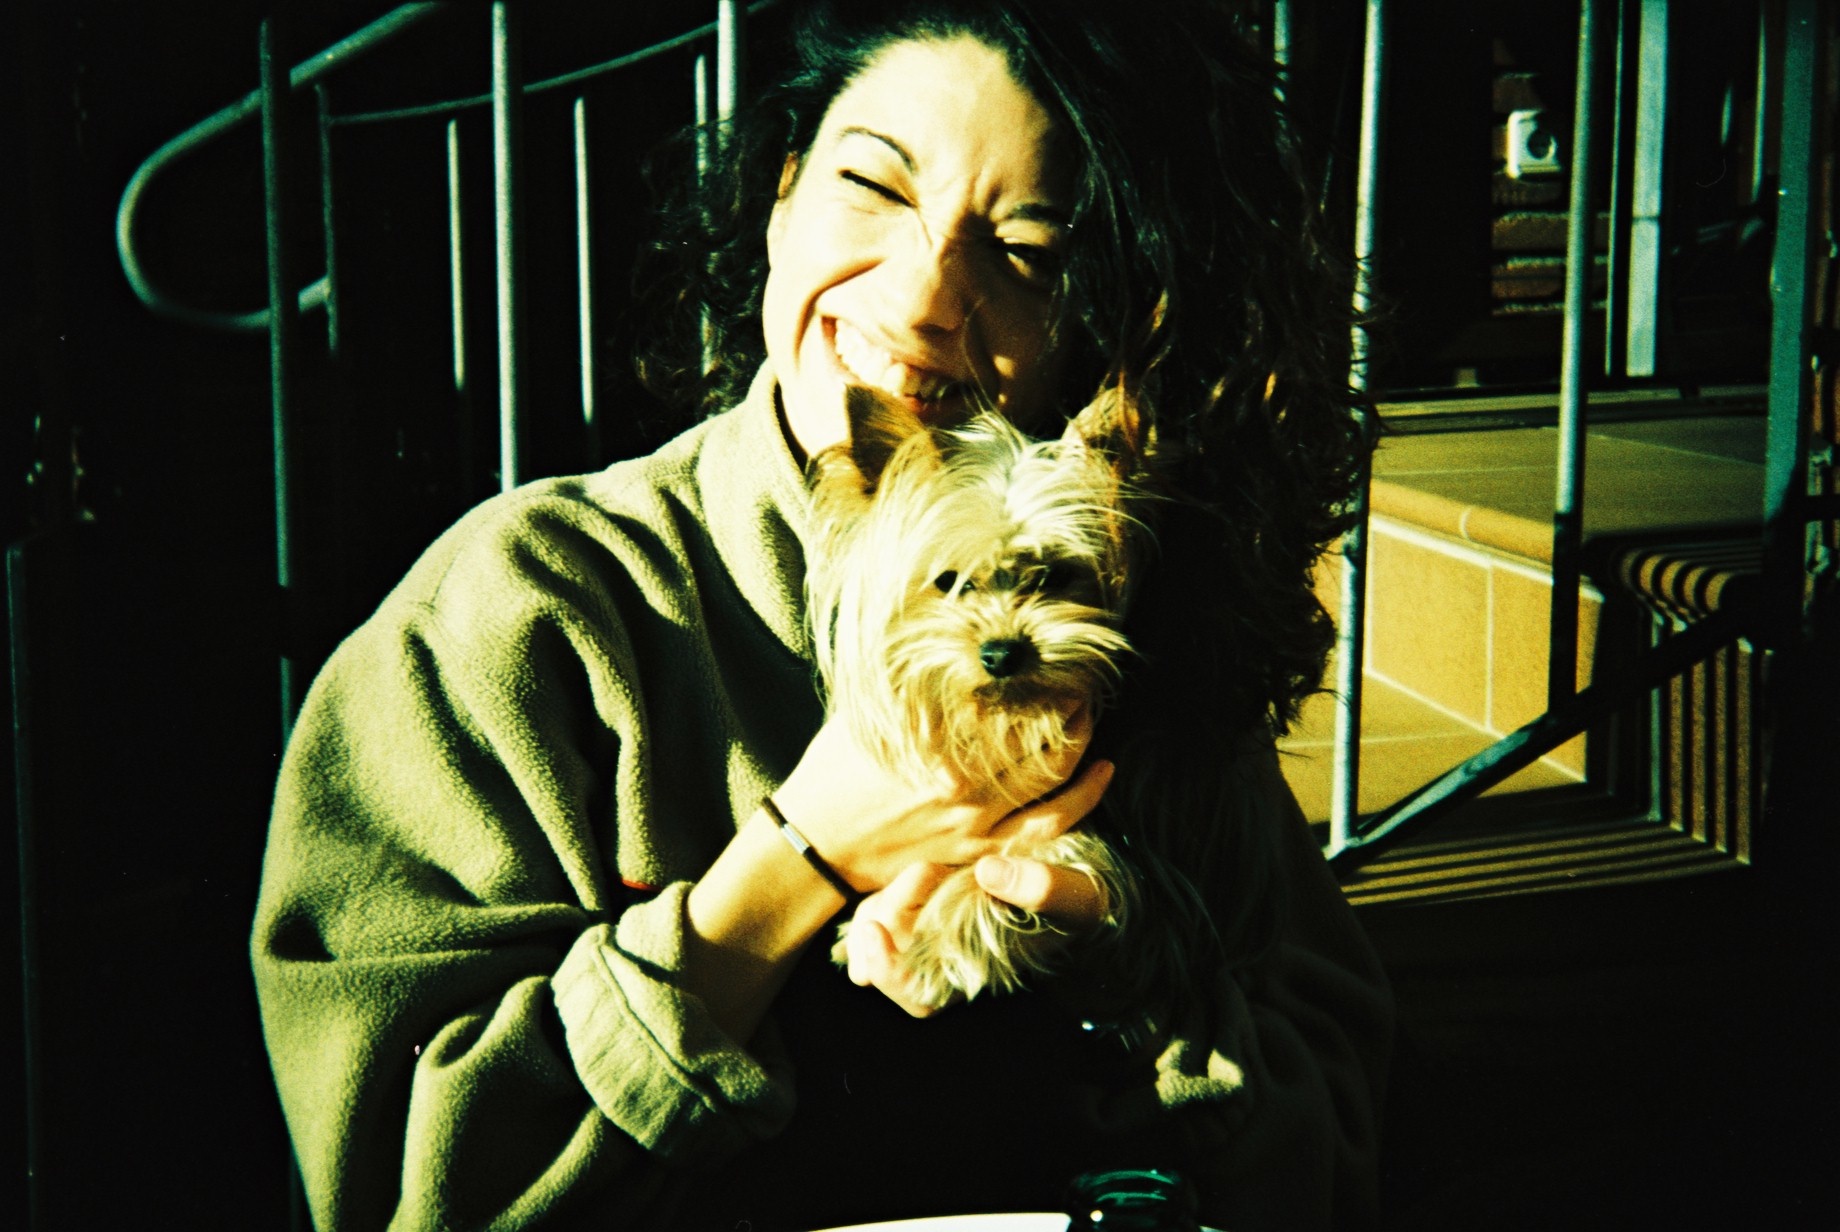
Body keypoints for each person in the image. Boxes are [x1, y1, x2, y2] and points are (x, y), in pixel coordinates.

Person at [251, 1, 1394, 1228]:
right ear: (782, 193)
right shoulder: (525, 612)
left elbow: (1334, 1138)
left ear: (1104, 318)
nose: (921, 298)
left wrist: (1122, 951)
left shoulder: (1140, 619)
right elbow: (410, 1187)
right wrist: (799, 856)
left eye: (1028, 249)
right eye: (873, 186)